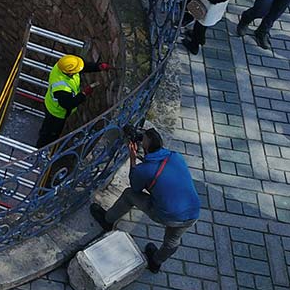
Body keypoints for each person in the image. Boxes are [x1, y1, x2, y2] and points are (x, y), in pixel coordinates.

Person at [90, 128, 200, 273]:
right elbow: (157, 163)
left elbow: (135, 186)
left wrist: (133, 160)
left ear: (146, 148)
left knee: (129, 195)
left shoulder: (145, 170)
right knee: (172, 241)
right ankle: (156, 262)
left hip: (166, 214)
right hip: (192, 212)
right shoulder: (175, 156)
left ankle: (107, 220)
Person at [36, 54, 111, 148]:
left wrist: (98, 67)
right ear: (69, 73)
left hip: (51, 104)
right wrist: (83, 94)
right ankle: (41, 149)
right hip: (56, 113)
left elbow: (83, 66)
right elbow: (68, 104)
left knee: (47, 127)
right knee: (50, 133)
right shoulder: (61, 88)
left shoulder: (62, 66)